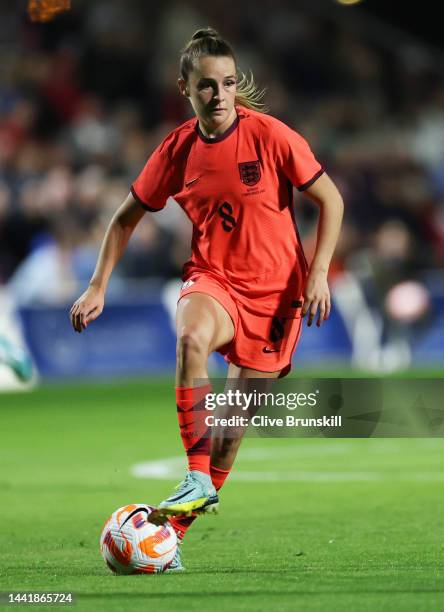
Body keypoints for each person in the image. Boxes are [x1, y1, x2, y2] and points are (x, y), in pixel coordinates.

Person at [70, 27, 344, 570]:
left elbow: (329, 199)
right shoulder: (177, 149)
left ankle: (170, 537)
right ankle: (193, 474)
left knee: (230, 437)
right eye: (206, 85)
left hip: (277, 297)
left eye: (227, 83)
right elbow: (126, 217)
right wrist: (98, 282)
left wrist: (319, 274)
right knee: (190, 336)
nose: (219, 94)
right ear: (185, 89)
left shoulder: (270, 136)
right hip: (214, 280)